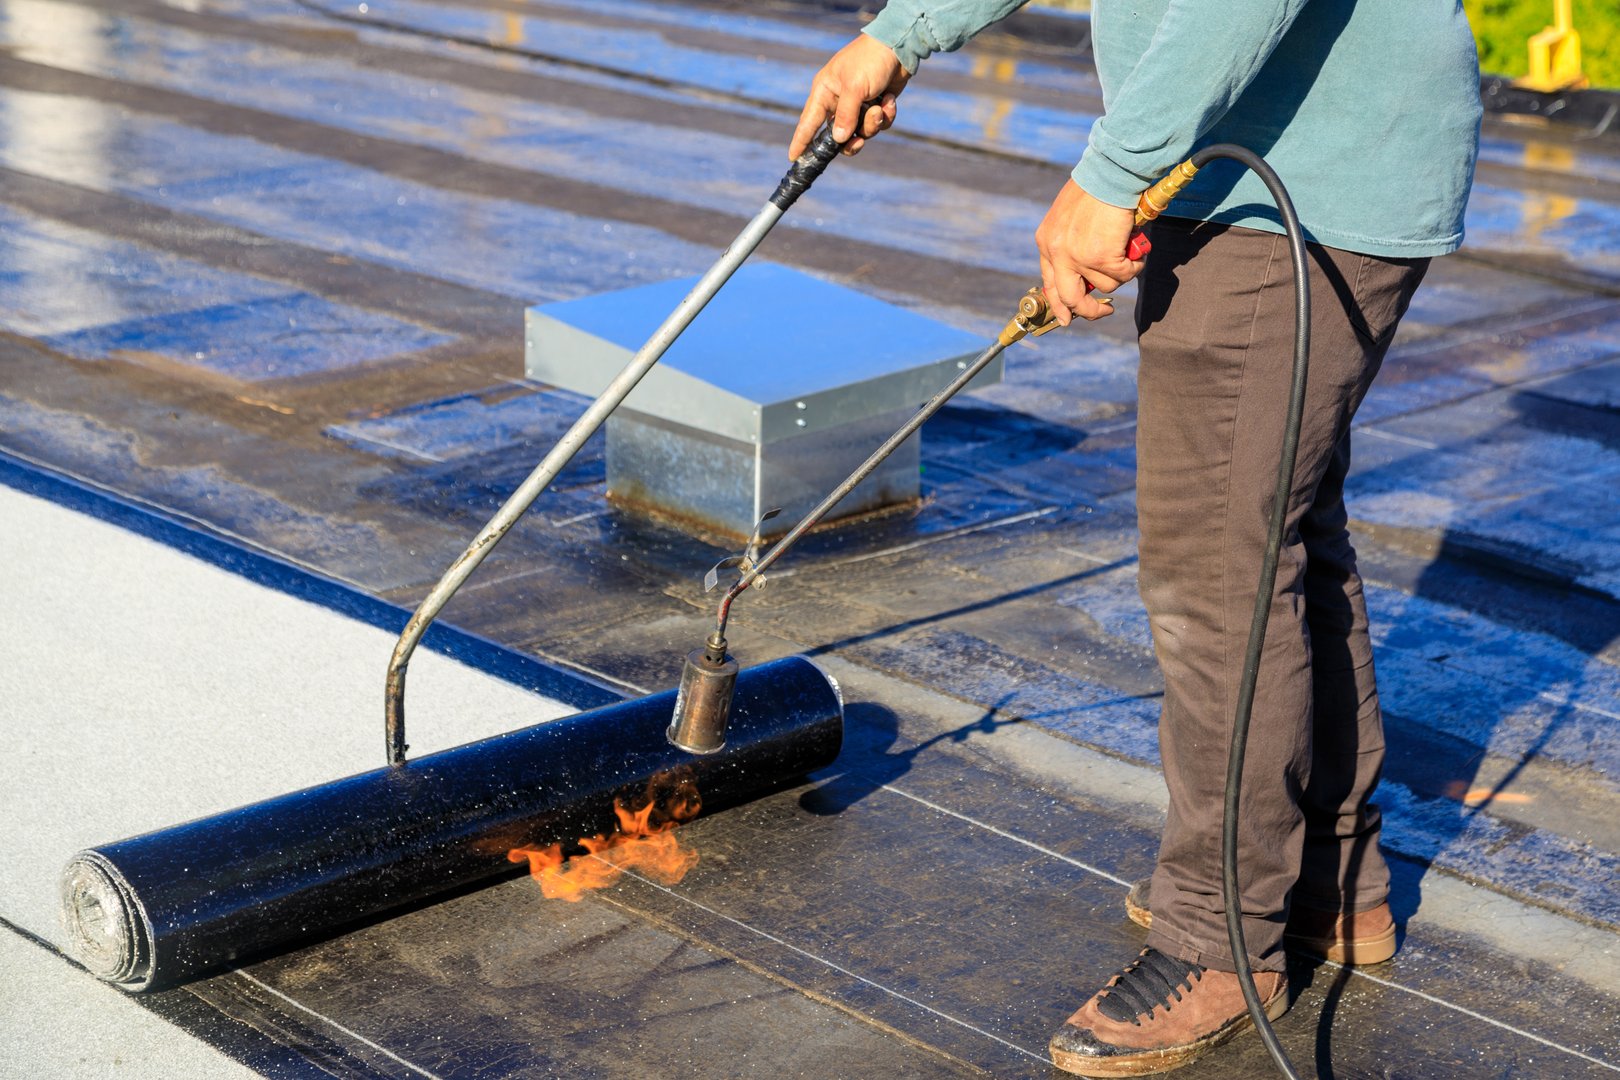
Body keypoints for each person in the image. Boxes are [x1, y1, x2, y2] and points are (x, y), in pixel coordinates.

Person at [790, 2, 1481, 1075]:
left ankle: (1219, 942)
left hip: (1299, 185)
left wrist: (1115, 172)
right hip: (1267, 168)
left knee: (1216, 567)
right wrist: (904, 33)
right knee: (1279, 538)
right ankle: (1329, 889)